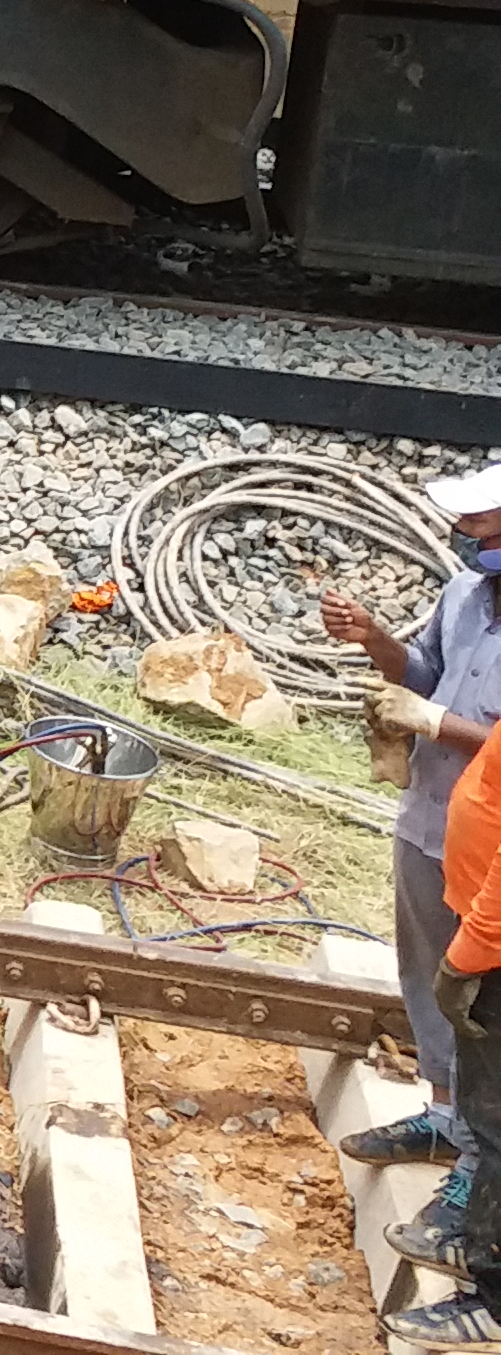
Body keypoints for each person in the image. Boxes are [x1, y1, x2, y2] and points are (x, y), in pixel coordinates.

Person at [321, 466, 501, 1190]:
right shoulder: (463, 596)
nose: (466, 537)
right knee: (427, 975)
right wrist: (377, 642)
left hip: (491, 845)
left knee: (485, 1005)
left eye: (481, 526)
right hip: (429, 816)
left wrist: (429, 723)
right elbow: (428, 672)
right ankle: (446, 1116)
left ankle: (483, 1161)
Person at [407, 704, 501, 1336]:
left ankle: (493, 1304)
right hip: (487, 939)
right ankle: (478, 1245)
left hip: (492, 951)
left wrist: (464, 960)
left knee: (498, 1123)